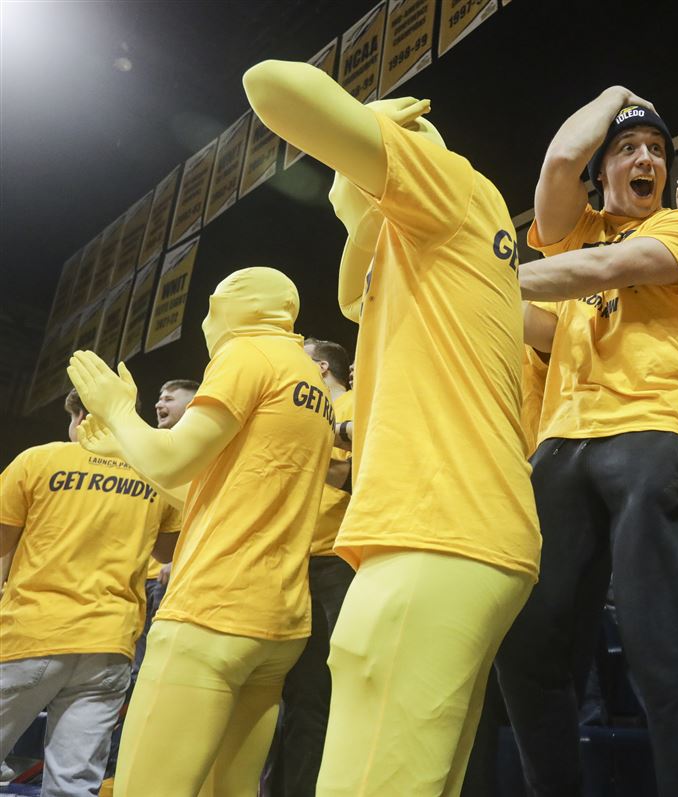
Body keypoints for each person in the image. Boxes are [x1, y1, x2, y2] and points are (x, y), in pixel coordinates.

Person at [243, 59, 540, 795]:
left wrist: (372, 121)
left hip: (434, 530)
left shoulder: (451, 182)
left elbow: (270, 84)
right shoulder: (436, 249)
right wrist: (359, 207)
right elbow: (355, 295)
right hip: (468, 529)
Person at [496, 87, 678, 796]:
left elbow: (605, 270)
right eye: (628, 149)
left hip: (650, 430)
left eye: (657, 150)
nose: (646, 159)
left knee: (659, 638)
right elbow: (560, 161)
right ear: (602, 171)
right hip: (562, 442)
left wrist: (480, 281)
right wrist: (615, 95)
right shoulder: (578, 229)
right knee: (525, 644)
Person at [66, 266, 334, 796]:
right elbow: (210, 494)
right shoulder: (311, 384)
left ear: (228, 307)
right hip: (278, 621)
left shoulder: (248, 353)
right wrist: (126, 446)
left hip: (213, 608)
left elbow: (172, 460)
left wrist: (118, 411)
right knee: (229, 790)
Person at [0, 389, 177, 797]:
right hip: (109, 644)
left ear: (79, 416)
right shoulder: (154, 474)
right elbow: (168, 551)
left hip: (33, 631)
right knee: (74, 785)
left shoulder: (39, 460)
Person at [266, 337, 354, 797]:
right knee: (298, 695)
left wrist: (294, 448)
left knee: (334, 690)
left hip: (339, 561)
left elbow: (349, 473)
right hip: (293, 562)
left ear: (320, 368)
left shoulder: (355, 404)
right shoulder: (303, 412)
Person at [133, 379, 198, 674]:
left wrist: (175, 560)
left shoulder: (203, 450)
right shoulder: (152, 447)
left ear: (193, 405)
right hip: (139, 576)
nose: (159, 404)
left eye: (170, 399)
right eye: (160, 398)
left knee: (152, 665)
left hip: (170, 576)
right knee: (132, 664)